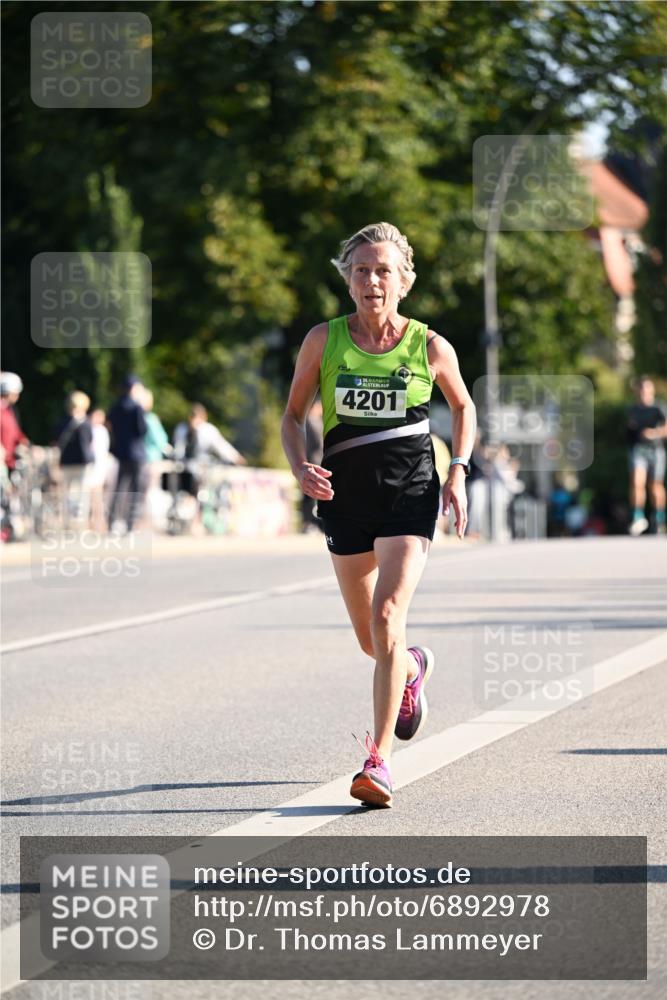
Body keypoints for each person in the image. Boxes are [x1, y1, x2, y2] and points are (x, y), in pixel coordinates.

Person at [281, 222, 476, 808]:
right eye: (362, 270)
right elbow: (293, 417)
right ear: (348, 280)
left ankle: (380, 761)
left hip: (409, 493)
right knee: (374, 642)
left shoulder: (430, 346)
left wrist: (458, 471)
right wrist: (300, 468)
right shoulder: (324, 340)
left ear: (404, 282)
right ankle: (412, 670)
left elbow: (463, 406)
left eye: (383, 271)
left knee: (388, 614)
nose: (372, 281)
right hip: (346, 497)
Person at [172, 403, 246, 534]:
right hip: (185, 467)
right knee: (185, 492)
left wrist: (235, 457)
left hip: (202, 468)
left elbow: (221, 446)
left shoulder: (208, 431)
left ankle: (199, 522)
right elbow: (178, 449)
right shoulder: (182, 430)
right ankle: (185, 520)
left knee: (204, 493)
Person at [107, 374, 147, 533]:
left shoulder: (115, 407)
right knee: (135, 491)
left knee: (119, 488)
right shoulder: (137, 408)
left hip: (121, 452)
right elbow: (142, 430)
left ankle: (112, 522)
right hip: (136, 454)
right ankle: (130, 525)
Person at [626, 375, 666, 535]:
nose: (644, 392)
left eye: (647, 388)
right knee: (637, 482)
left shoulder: (659, 408)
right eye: (641, 389)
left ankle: (659, 517)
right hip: (638, 450)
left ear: (652, 390)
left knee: (655, 485)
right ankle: (638, 517)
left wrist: (654, 433)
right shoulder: (633, 410)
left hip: (656, 451)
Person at [53, 390, 94, 527]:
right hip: (82, 463)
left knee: (67, 493)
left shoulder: (62, 423)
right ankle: (80, 521)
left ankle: (67, 521)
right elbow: (88, 443)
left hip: (65, 462)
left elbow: (56, 441)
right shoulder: (86, 424)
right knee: (82, 493)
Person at [0, 372, 29, 472]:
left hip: (9, 462)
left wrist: (26, 444)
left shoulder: (10, 411)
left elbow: (16, 434)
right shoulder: (3, 411)